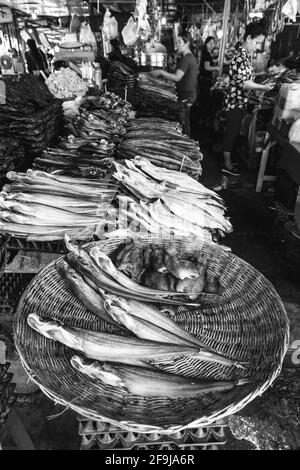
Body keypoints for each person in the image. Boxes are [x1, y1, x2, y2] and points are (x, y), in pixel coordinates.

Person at [222, 22, 274, 176]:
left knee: (234, 131)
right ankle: (226, 164)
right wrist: (263, 88)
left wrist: (259, 76)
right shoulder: (240, 56)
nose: (257, 46)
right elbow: (244, 82)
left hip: (238, 101)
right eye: (257, 42)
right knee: (231, 133)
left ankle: (229, 159)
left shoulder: (244, 55)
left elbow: (244, 77)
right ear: (249, 38)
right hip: (235, 102)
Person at [150, 31, 198, 136]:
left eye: (180, 42)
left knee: (183, 121)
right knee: (185, 120)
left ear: (187, 43)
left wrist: (160, 72)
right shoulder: (189, 57)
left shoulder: (187, 59)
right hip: (188, 93)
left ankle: (186, 143)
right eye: (177, 42)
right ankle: (187, 142)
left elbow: (177, 77)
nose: (178, 44)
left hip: (186, 94)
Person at [198, 36, 220, 125]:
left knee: (203, 100)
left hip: (203, 80)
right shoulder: (207, 54)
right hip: (205, 81)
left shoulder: (206, 53)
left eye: (212, 43)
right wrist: (216, 68)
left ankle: (202, 120)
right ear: (206, 43)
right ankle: (203, 121)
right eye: (209, 43)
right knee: (205, 100)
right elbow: (207, 67)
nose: (211, 45)